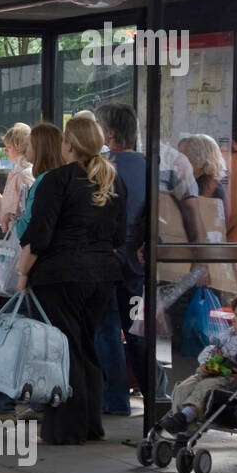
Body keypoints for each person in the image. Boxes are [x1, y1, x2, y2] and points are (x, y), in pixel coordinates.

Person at [16, 115, 127, 445]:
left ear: (69, 145)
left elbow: (39, 236)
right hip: (102, 275)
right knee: (84, 347)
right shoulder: (113, 181)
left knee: (64, 352)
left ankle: (66, 428)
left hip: (60, 276)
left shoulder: (58, 180)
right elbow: (119, 236)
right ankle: (91, 423)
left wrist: (23, 274)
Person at [0, 122, 65, 422]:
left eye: (31, 145)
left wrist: (22, 275)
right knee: (38, 338)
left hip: (31, 268)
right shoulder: (60, 180)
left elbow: (31, 230)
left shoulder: (42, 182)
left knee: (9, 331)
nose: (26, 149)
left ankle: (3, 406)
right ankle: (38, 403)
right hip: (48, 271)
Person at [158, 287, 237, 435]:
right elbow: (213, 347)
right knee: (183, 388)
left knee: (206, 388)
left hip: (230, 379)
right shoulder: (230, 333)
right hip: (211, 369)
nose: (233, 319)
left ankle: (185, 417)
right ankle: (182, 426)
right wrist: (206, 362)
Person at [95, 102, 148, 416]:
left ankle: (115, 399)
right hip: (138, 263)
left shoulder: (102, 166)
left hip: (108, 258)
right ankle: (152, 390)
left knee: (106, 327)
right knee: (136, 329)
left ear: (109, 134)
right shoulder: (147, 165)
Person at [0, 123, 33, 236]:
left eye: (8, 147)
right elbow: (8, 207)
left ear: (19, 148)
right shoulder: (17, 172)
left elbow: (26, 212)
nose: (5, 150)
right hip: (8, 235)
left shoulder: (24, 175)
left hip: (14, 238)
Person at [179, 134, 228, 206]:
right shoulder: (201, 184)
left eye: (183, 157)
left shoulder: (206, 189)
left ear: (198, 158)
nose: (177, 162)